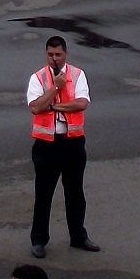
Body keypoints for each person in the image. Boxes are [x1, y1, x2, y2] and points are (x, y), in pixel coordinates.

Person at [27, 35, 97, 257]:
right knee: (43, 193)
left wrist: (54, 106)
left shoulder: (77, 75)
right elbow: (36, 108)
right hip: (47, 145)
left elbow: (81, 104)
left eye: (58, 54)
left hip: (73, 143)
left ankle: (78, 236)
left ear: (65, 54)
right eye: (50, 54)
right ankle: (39, 240)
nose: (54, 58)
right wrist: (55, 89)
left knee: (75, 192)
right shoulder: (38, 78)